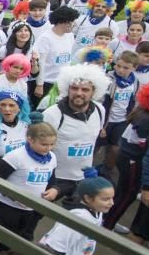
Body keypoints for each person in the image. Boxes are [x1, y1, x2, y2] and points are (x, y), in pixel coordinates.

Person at [41, 64, 108, 203]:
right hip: (55, 177)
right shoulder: (52, 114)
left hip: (84, 176)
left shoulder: (100, 110)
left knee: (76, 217)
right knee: (37, 212)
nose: (79, 93)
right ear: (67, 89)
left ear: (93, 92)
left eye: (85, 89)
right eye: (74, 88)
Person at [39, 167, 114, 255]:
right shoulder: (77, 220)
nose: (112, 203)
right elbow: (53, 249)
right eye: (105, 199)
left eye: (112, 198)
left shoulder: (96, 210)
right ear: (88, 199)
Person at [0, 123, 60, 242]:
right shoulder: (15, 156)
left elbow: (51, 179)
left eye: (52, 144)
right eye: (43, 144)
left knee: (25, 239)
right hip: (7, 206)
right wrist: (15, 198)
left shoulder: (52, 157)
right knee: (4, 240)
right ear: (30, 140)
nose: (48, 148)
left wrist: (54, 189)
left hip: (32, 208)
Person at [32, 6, 79, 109]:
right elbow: (41, 63)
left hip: (62, 82)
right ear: (63, 21)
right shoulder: (46, 38)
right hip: (47, 82)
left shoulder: (70, 36)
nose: (74, 25)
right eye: (72, 22)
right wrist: (40, 85)